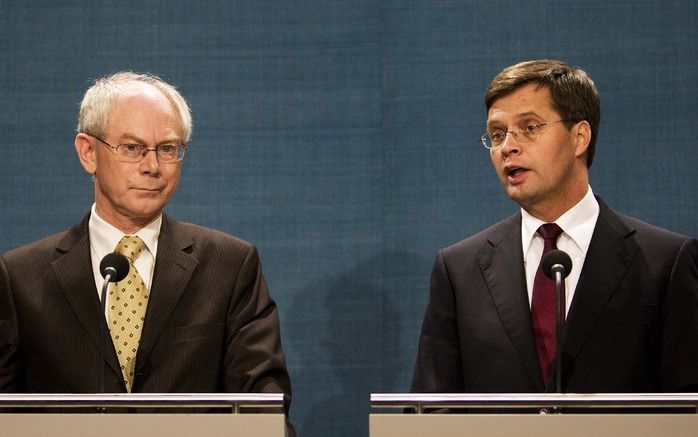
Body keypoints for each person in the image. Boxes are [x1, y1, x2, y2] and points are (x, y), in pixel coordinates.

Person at [0, 72, 295, 431]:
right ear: (88, 152)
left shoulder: (230, 266)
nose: (152, 166)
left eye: (168, 149)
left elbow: (261, 407)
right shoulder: (20, 277)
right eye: (132, 148)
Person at [410, 59, 698, 394]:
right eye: (497, 134)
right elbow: (432, 408)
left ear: (580, 137)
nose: (508, 147)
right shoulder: (459, 271)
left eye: (530, 127)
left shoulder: (665, 262)